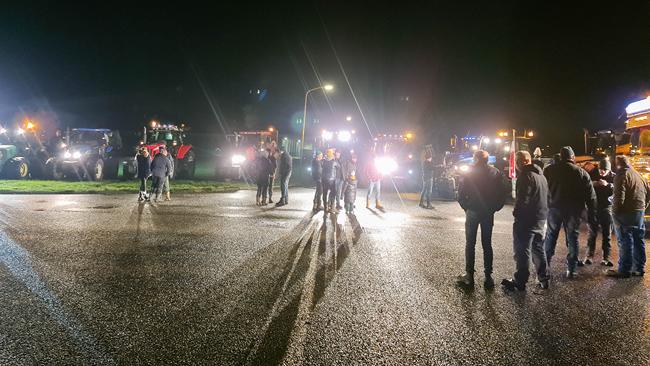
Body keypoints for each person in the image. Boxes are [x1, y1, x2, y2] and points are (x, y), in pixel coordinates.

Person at [456, 150, 507, 289]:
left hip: (472, 210)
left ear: (476, 159)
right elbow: (503, 192)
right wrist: (495, 207)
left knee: (470, 243)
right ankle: (488, 277)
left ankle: (469, 276)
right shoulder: (496, 173)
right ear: (487, 159)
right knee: (487, 244)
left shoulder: (469, 172)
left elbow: (461, 192)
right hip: (487, 212)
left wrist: (465, 206)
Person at [543, 146, 597, 278]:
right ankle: (571, 270)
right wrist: (592, 215)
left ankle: (545, 267)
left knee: (551, 236)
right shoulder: (581, 172)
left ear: (561, 157)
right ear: (572, 158)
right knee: (573, 237)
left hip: (554, 208)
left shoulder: (549, 170)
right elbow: (591, 196)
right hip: (574, 210)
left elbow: (542, 189)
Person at [502, 151, 550, 291]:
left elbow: (523, 199)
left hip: (526, 220)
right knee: (538, 249)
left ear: (522, 161)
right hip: (541, 218)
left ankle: (520, 280)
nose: (515, 165)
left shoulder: (525, 176)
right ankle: (544, 278)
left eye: (516, 162)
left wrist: (517, 213)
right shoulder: (541, 176)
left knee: (522, 251)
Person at [606, 155, 650, 278]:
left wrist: (614, 212)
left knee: (625, 240)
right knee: (638, 239)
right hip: (638, 211)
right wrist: (642, 207)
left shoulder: (621, 175)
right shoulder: (638, 174)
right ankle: (639, 268)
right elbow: (648, 193)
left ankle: (624, 270)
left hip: (625, 213)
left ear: (617, 164)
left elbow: (619, 196)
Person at [584, 158, 615, 266]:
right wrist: (594, 183)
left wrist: (608, 185)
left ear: (609, 170)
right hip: (593, 208)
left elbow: (618, 189)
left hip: (607, 208)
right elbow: (585, 185)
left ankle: (606, 258)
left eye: (604, 170)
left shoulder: (613, 176)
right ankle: (589, 256)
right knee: (592, 233)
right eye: (600, 169)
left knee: (607, 234)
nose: (602, 172)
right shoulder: (592, 174)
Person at [321, 149, 339, 213]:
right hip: (331, 180)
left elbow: (321, 166)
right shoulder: (334, 161)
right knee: (333, 193)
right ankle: (332, 207)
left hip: (324, 179)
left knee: (325, 193)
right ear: (332, 154)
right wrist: (335, 158)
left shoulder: (323, 161)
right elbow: (338, 167)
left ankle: (325, 207)